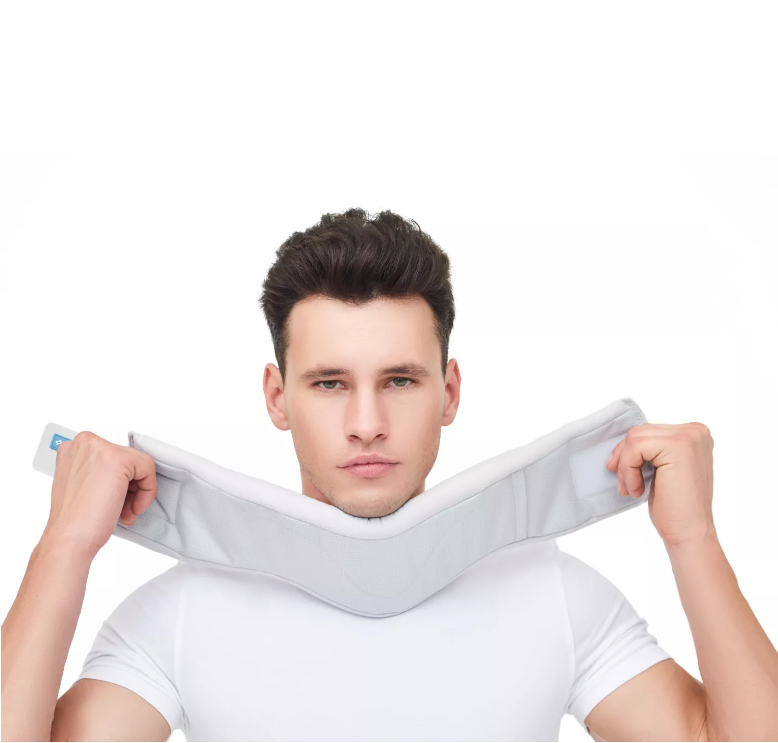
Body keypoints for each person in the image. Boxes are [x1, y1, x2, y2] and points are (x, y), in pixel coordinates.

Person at [3, 209, 777, 741]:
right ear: (277, 397)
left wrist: (694, 539)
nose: (367, 422)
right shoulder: (181, 609)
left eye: (400, 380)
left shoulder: (556, 594)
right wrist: (62, 546)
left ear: (450, 392)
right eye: (329, 382)